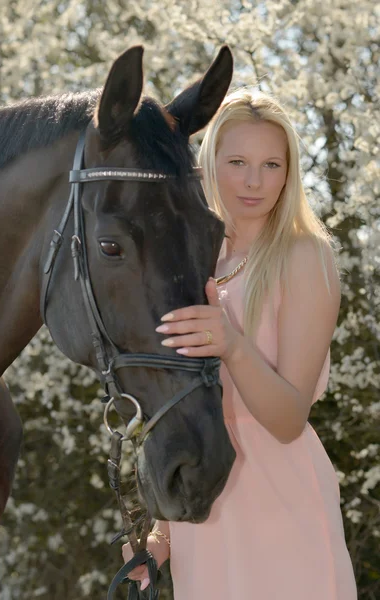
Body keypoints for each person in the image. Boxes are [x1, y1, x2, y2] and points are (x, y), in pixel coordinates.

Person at [122, 88, 358, 599]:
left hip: (281, 497)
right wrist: (162, 532)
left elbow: (288, 418)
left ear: (289, 172)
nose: (254, 181)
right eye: (238, 161)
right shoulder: (190, 260)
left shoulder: (305, 256)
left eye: (271, 164)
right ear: (208, 164)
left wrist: (232, 343)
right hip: (203, 501)